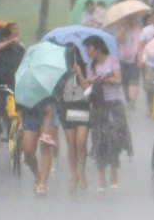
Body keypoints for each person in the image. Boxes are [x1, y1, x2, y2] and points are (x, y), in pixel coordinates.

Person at [79, 36, 133, 191]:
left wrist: (102, 78)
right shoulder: (91, 66)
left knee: (114, 139)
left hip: (114, 104)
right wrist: (84, 77)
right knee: (99, 140)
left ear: (97, 48)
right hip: (99, 105)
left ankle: (114, 172)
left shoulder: (112, 60)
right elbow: (87, 87)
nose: (88, 52)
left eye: (89, 48)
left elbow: (118, 79)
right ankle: (102, 178)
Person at [56, 45, 91, 192]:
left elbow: (88, 89)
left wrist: (80, 74)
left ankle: (81, 173)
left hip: (82, 105)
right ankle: (74, 174)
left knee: (81, 142)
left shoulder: (85, 68)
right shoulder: (59, 71)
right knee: (71, 143)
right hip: (66, 107)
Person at [0, 22, 25, 146]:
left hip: (14, 83)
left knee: (15, 110)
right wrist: (8, 43)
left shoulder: (19, 49)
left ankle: (17, 131)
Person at [19, 102, 60, 196]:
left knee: (46, 148)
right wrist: (21, 122)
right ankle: (37, 175)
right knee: (28, 151)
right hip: (30, 112)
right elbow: (19, 101)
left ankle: (42, 184)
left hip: (49, 111)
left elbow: (59, 91)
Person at [115, 15, 142, 108]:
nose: (131, 20)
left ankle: (132, 101)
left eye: (132, 18)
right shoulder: (120, 28)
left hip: (135, 57)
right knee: (125, 82)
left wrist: (140, 57)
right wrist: (123, 30)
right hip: (123, 58)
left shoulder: (138, 29)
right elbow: (118, 41)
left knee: (134, 81)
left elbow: (140, 43)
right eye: (128, 18)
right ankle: (128, 98)